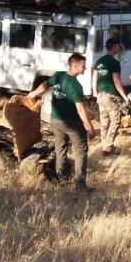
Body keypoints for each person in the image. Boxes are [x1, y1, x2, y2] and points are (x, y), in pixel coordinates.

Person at [28, 53, 96, 192]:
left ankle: (62, 178)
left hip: (55, 120)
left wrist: (33, 93)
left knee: (60, 149)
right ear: (75, 66)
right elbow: (81, 110)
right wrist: (90, 128)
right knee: (81, 151)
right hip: (71, 123)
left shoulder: (58, 76)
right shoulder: (76, 86)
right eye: (83, 66)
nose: (85, 68)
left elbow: (44, 86)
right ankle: (79, 185)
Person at [93, 38, 129, 156]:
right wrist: (125, 97)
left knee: (104, 121)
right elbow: (116, 80)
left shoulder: (99, 61)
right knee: (116, 120)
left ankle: (105, 145)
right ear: (113, 47)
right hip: (110, 94)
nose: (118, 49)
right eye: (118, 46)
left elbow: (95, 78)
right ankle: (108, 147)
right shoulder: (114, 62)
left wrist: (95, 92)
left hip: (100, 95)